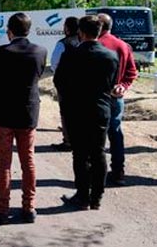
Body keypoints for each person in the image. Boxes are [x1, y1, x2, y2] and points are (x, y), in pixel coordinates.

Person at [0, 13, 47, 224]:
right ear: (28, 30)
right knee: (28, 161)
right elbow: (38, 75)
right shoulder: (40, 52)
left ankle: (2, 210)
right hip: (27, 113)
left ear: (9, 31)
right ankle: (29, 207)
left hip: (2, 113)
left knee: (3, 163)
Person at [54, 15, 118, 211]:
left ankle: (82, 196)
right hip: (100, 109)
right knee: (99, 153)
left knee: (80, 154)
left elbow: (59, 82)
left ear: (81, 32)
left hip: (76, 110)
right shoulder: (110, 56)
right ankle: (97, 197)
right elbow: (111, 83)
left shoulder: (71, 54)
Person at [98, 13, 138, 186]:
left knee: (95, 136)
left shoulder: (95, 45)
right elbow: (132, 71)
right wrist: (124, 85)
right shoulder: (123, 45)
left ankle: (96, 173)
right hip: (116, 96)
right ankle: (118, 171)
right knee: (115, 133)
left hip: (97, 98)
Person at [50, 16, 80, 152]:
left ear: (67, 28)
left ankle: (68, 141)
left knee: (66, 112)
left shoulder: (63, 43)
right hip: (83, 84)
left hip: (65, 84)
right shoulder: (84, 42)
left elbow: (54, 64)